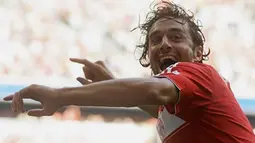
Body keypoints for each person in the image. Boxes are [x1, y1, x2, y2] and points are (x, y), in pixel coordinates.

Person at [3, 1, 255, 143]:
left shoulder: (199, 74)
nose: (164, 43)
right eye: (155, 40)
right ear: (148, 55)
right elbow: (155, 108)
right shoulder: (182, 104)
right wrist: (111, 83)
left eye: (176, 37)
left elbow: (150, 91)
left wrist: (61, 96)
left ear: (198, 52)